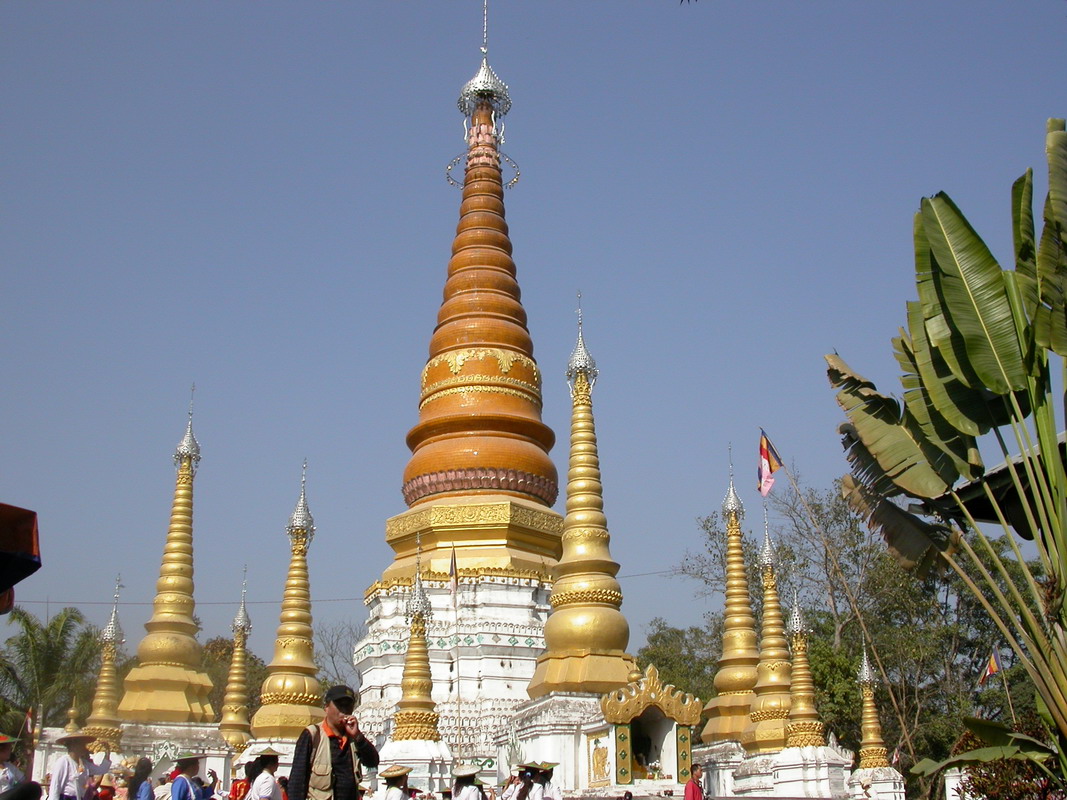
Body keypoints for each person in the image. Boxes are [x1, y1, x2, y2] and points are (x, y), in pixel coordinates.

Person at [288, 686, 379, 800]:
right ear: (326, 707)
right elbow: (297, 781)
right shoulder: (313, 735)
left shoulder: (353, 739)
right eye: (339, 705)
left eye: (348, 705)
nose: (344, 710)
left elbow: (372, 762)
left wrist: (358, 736)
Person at [47, 734, 111, 800]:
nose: (85, 748)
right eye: (82, 745)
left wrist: (107, 754)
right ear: (74, 746)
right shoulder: (64, 761)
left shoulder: (84, 764)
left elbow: (101, 770)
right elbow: (55, 785)